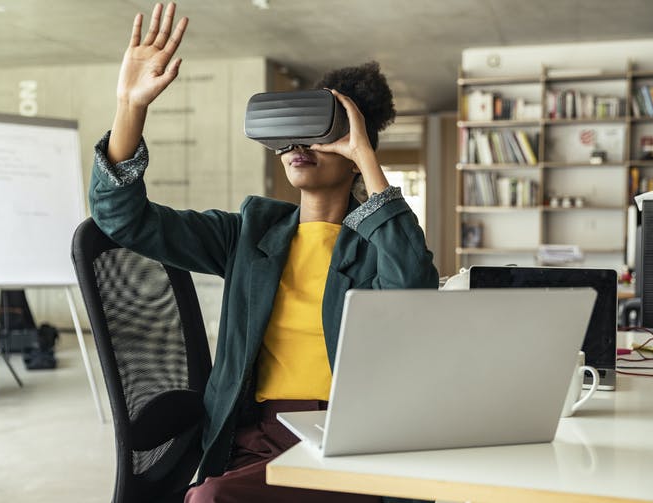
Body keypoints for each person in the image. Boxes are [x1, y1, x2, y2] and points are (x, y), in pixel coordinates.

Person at [89, 3, 438, 502]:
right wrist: (131, 105)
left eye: (323, 132)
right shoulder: (250, 234)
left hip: (353, 440)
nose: (301, 143)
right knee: (209, 496)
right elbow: (122, 219)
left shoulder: (375, 245)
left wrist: (365, 154)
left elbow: (413, 291)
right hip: (258, 438)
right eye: (292, 133)